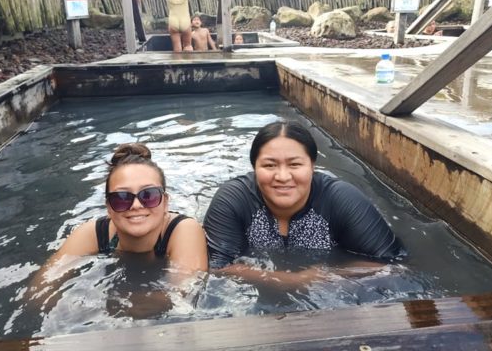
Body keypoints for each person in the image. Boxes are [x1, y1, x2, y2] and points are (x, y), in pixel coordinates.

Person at [203, 121, 405, 290]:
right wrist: (293, 281)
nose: (282, 177)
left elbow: (393, 265)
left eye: (295, 164)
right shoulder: (233, 199)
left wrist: (329, 277)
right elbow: (218, 268)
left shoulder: (341, 199)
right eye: (269, 165)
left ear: (312, 166)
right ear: (254, 167)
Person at [31, 143, 207, 297]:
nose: (136, 205)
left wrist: (99, 301)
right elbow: (39, 292)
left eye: (149, 195)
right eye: (122, 198)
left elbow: (183, 295)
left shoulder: (183, 230)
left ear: (165, 202)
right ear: (108, 207)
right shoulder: (92, 233)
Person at [136, 0, 218, 52]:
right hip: (185, 21)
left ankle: (178, 64)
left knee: (177, 49)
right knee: (188, 46)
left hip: (173, 21)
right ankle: (188, 64)